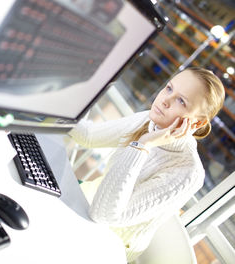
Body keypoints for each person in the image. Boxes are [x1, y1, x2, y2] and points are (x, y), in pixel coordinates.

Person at [68, 67, 225, 262]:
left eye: (181, 101)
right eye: (169, 88)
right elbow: (88, 136)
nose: (165, 100)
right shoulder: (150, 120)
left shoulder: (188, 173)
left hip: (106, 243)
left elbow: (103, 215)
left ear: (196, 124)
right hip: (82, 202)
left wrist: (143, 145)